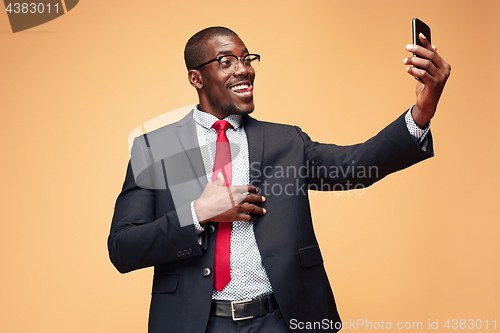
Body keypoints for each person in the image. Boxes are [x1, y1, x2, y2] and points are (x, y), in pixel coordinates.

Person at [108, 26, 451, 332]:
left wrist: (423, 110)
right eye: (226, 61)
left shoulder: (286, 142)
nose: (244, 69)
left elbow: (355, 167)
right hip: (195, 323)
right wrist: (197, 214)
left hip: (280, 320)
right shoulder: (155, 148)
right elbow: (124, 248)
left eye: (246, 58)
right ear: (196, 78)